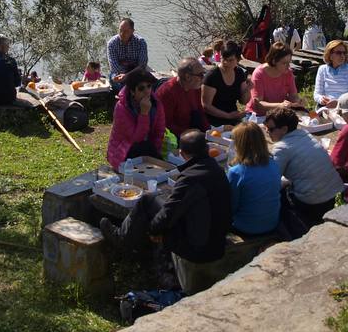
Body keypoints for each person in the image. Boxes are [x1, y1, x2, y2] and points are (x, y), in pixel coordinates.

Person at [100, 129, 232, 266]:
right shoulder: (218, 171)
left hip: (198, 249)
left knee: (146, 201)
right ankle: (138, 243)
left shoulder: (190, 178)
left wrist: (153, 230)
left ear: (181, 153)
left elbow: (170, 212)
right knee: (156, 198)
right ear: (207, 149)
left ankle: (122, 240)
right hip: (218, 243)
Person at [265, 108, 343, 227]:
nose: (267, 131)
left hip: (313, 202)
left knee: (277, 195)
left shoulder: (281, 148)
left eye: (271, 129)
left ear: (284, 129)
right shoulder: (305, 134)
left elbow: (271, 181)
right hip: (335, 194)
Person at [227, 122, 281, 236]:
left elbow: (231, 206)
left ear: (239, 145)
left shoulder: (236, 172)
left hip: (246, 227)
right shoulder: (273, 163)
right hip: (272, 222)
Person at [106, 67, 166, 171]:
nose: (147, 91)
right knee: (142, 147)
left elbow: (159, 132)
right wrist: (144, 114)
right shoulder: (122, 108)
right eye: (141, 88)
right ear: (132, 91)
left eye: (149, 86)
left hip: (147, 147)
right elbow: (136, 139)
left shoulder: (156, 104)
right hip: (125, 150)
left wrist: (155, 155)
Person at [156, 57, 210, 138]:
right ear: (188, 77)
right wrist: (188, 133)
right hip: (175, 138)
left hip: (194, 132)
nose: (203, 78)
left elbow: (200, 111)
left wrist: (209, 131)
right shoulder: (167, 92)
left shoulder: (195, 87)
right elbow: (164, 125)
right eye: (200, 75)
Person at [202, 40, 251, 125]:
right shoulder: (212, 76)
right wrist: (228, 116)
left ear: (238, 60)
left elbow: (243, 101)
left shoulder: (239, 73)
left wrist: (248, 89)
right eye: (223, 59)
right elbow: (206, 106)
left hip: (233, 117)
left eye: (230, 60)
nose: (225, 63)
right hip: (213, 120)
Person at [247, 42, 303, 115]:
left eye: (289, 62)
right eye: (284, 63)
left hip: (278, 113)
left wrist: (297, 101)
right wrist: (279, 105)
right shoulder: (259, 74)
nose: (288, 66)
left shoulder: (288, 73)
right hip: (257, 114)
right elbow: (258, 104)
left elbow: (293, 95)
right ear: (274, 61)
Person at [313, 39, 348, 109]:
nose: (342, 55)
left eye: (344, 53)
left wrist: (338, 102)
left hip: (345, 107)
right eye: (338, 53)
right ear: (330, 55)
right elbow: (317, 94)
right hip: (326, 106)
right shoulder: (322, 69)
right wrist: (321, 99)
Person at [107, 18, 149, 91]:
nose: (122, 34)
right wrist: (125, 75)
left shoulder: (140, 42)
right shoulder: (112, 43)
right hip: (118, 73)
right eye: (120, 30)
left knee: (150, 85)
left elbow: (142, 65)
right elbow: (114, 67)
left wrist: (128, 75)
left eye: (126, 31)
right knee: (122, 85)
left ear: (132, 31)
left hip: (136, 72)